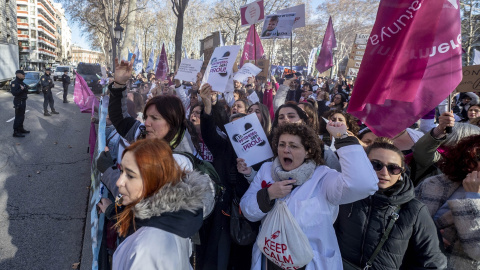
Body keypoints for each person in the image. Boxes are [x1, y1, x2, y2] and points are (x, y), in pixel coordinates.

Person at [240, 122, 379, 269]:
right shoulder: (267, 170)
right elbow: (247, 209)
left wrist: (342, 137)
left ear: (308, 151)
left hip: (310, 263)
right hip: (269, 260)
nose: (286, 150)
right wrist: (268, 195)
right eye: (282, 144)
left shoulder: (323, 177)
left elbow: (362, 185)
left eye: (293, 146)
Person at [97, 138, 212, 270]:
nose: (119, 182)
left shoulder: (147, 249)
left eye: (130, 175)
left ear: (153, 182)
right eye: (121, 171)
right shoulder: (172, 218)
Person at [335, 138, 447, 269]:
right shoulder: (343, 194)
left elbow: (434, 263)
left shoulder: (414, 210)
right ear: (362, 164)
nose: (384, 172)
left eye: (393, 168)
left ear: (401, 173)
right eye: (376, 165)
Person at [415, 134, 480, 269]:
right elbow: (404, 219)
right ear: (468, 157)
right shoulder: (434, 183)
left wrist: (473, 197)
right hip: (416, 261)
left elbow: (477, 251)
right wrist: (429, 237)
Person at [10, 70, 30, 137]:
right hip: (18, 101)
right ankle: (15, 132)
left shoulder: (22, 83)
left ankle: (21, 129)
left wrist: (24, 88)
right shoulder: (14, 83)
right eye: (23, 74)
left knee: (22, 116)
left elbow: (27, 90)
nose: (24, 75)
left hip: (23, 101)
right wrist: (21, 89)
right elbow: (14, 93)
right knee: (18, 117)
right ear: (18, 74)